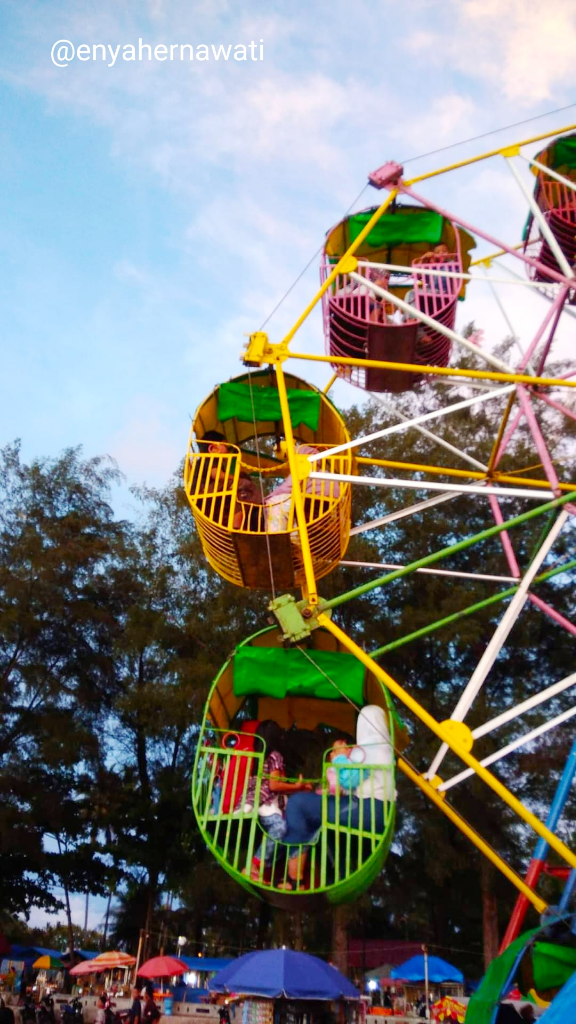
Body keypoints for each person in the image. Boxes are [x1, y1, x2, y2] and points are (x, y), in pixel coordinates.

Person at [279, 705, 394, 889]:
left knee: (298, 804)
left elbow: (349, 780)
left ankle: (295, 878)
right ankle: (334, 879)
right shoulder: (386, 750)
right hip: (376, 812)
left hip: (365, 809)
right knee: (327, 830)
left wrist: (340, 757)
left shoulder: (370, 748)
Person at [239, 720, 312, 882]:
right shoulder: (275, 756)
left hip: (257, 803)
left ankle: (259, 869)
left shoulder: (258, 758)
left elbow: (275, 785)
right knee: (281, 827)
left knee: (284, 836)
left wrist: (297, 788)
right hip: (268, 805)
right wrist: (297, 786)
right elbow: (274, 785)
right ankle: (254, 865)